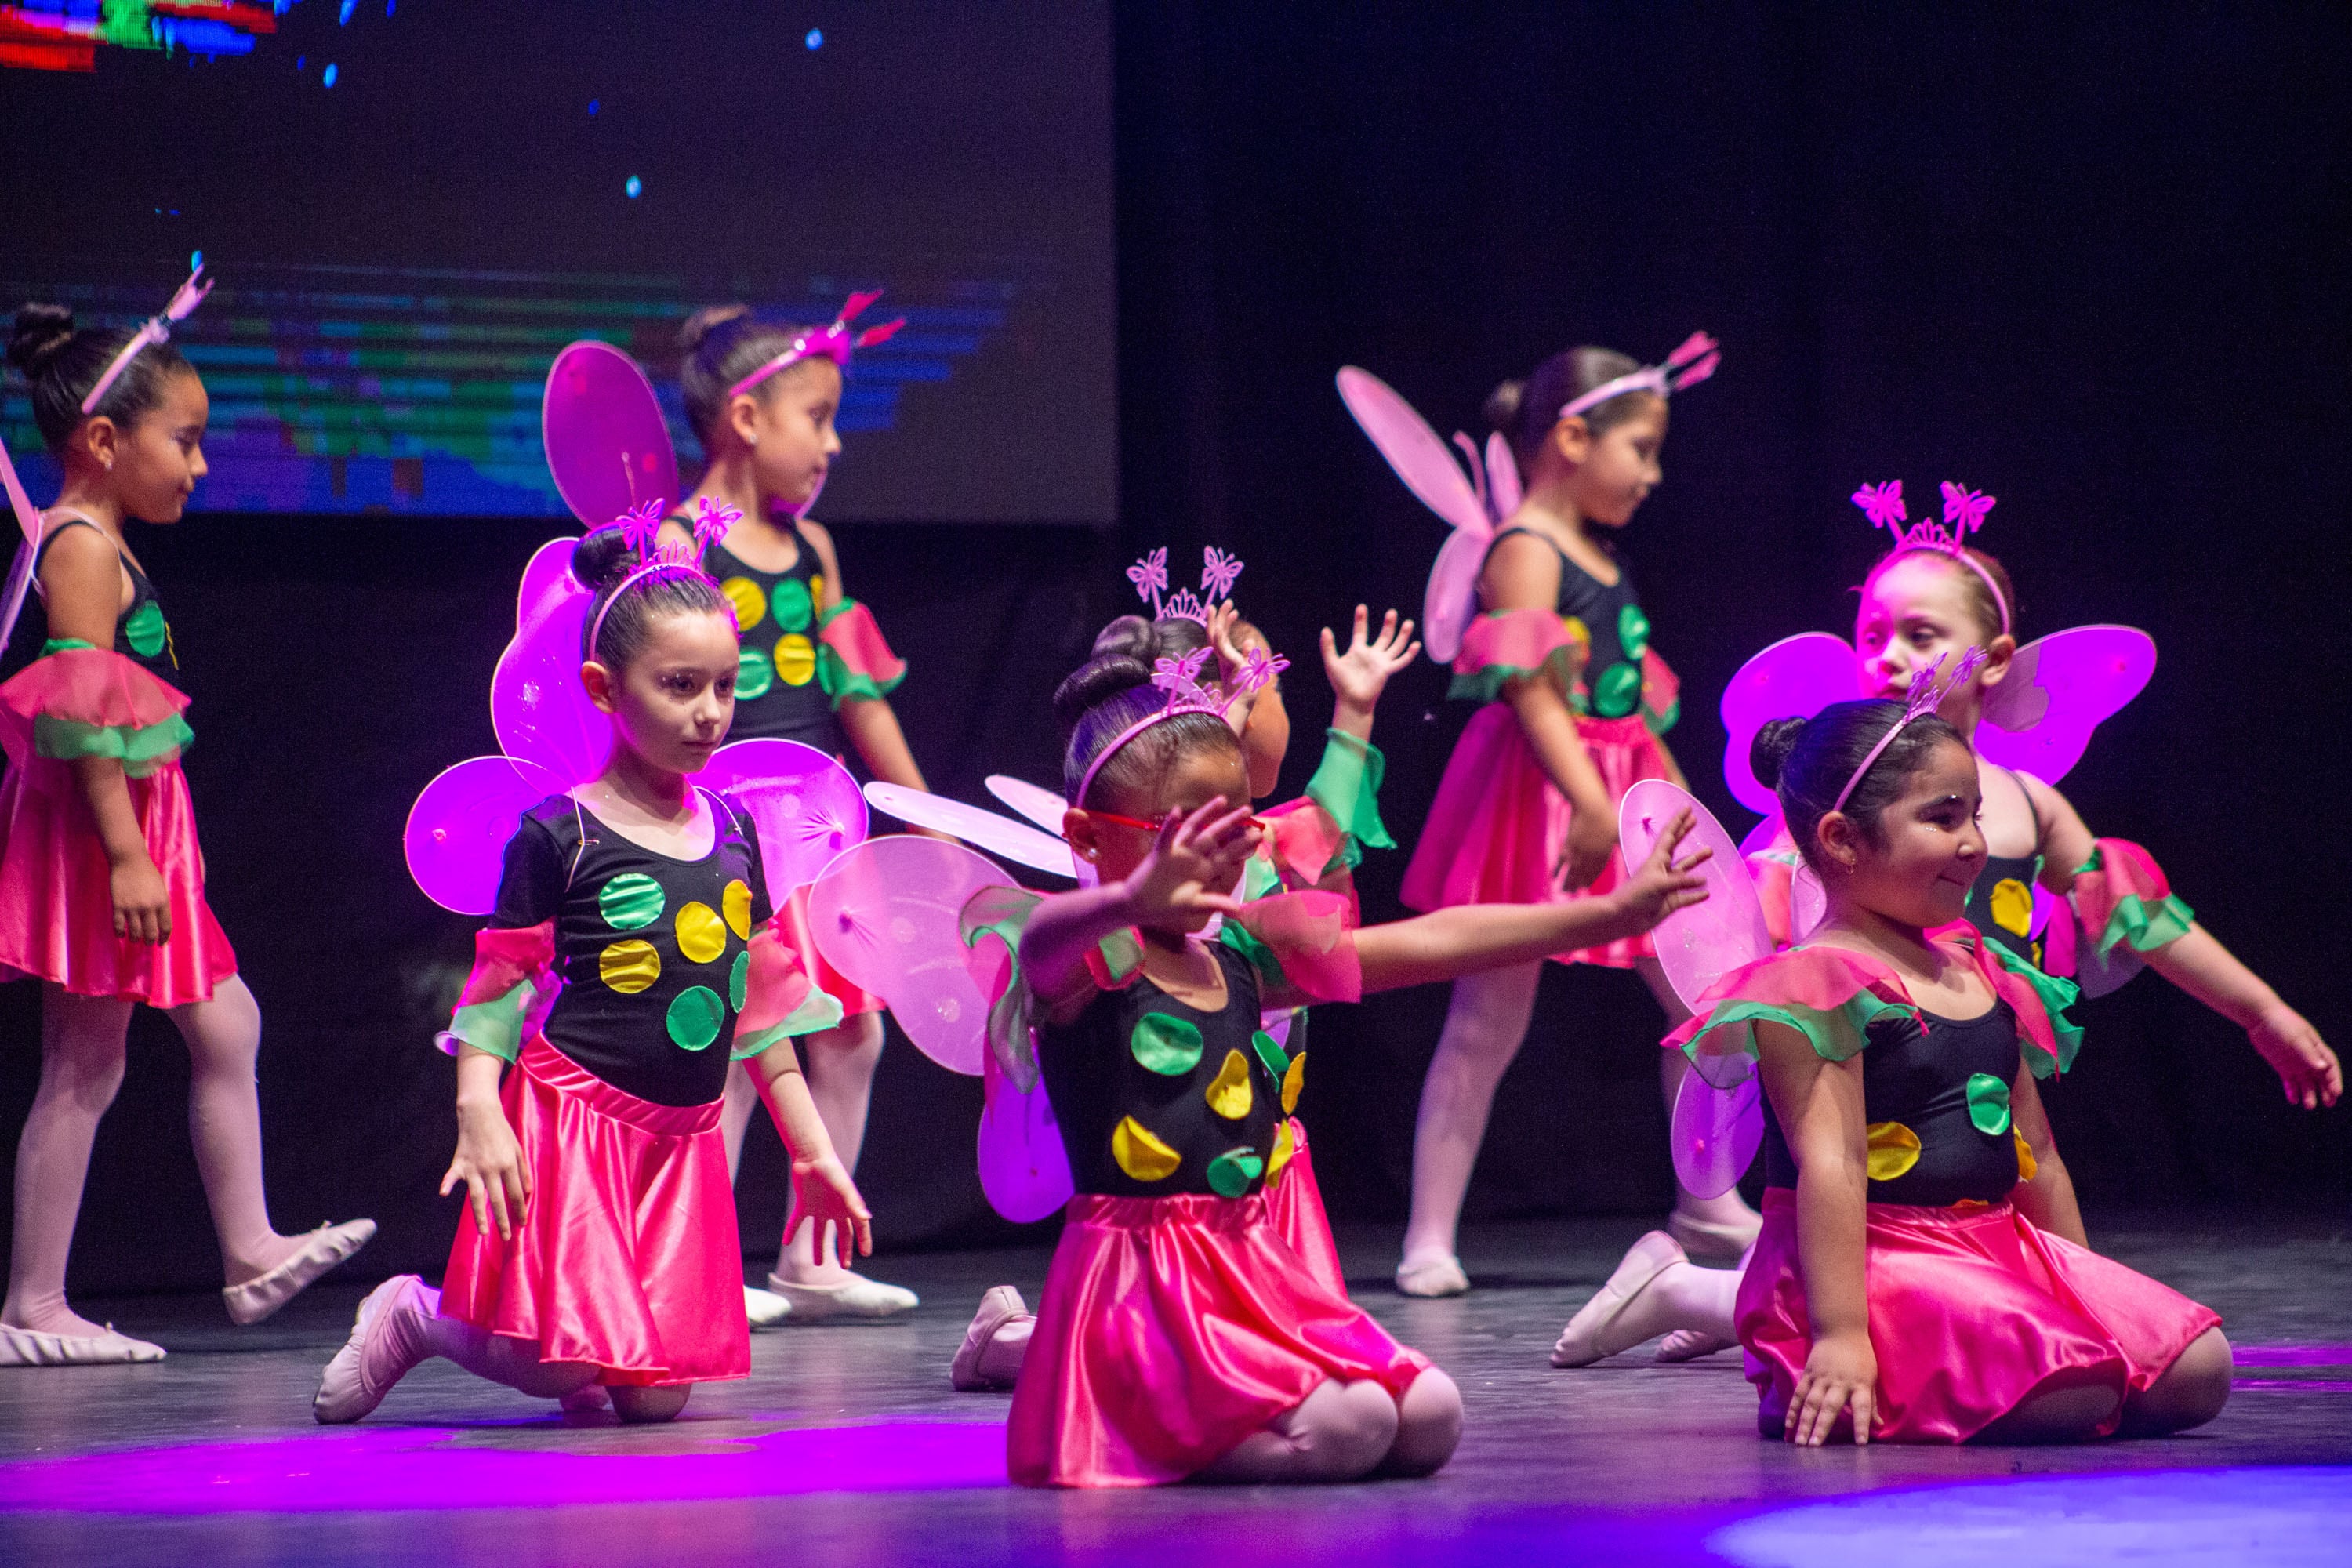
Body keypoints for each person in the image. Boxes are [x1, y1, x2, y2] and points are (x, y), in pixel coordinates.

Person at [1002, 636, 1710, 1485]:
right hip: (1142, 1294)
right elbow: (1039, 940)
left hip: (1250, 1270)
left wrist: (1601, 916)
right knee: (1355, 1425)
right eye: (1186, 830)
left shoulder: (1242, 956)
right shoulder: (1086, 966)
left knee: (1430, 1414)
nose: (1227, 846)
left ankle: (1231, 1410)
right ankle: (1136, 1425)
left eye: (1240, 820)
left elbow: (1430, 941)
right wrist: (1126, 897)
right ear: (1088, 833)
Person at [1560, 681, 2232, 1444]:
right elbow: (1835, 1163)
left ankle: (2042, 1357)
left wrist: (2077, 1286)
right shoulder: (1809, 981)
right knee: (2075, 1389)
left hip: (1993, 1244)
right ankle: (1840, 1368)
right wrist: (1842, 1333)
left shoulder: (1984, 968)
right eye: (1941, 818)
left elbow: (2035, 1152)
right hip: (1881, 1259)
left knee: (2199, 1364)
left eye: (1973, 813)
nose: (1974, 840)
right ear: (1843, 839)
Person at [314, 525, 865, 1424]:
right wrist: (480, 1108)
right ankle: (414, 1316)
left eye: (725, 686)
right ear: (604, 690)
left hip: (681, 1137)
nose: (710, 711)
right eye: (680, 686)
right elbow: (495, 991)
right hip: (578, 1122)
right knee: (561, 1372)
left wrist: (812, 1152)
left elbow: (761, 1015)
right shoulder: (557, 834)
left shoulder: (732, 831)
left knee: (658, 1401)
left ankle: (594, 1335)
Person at [0, 289, 372, 1367]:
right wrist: (124, 852)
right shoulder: (79, 545)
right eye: (188, 441)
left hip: (139, 823)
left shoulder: (101, 541)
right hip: (104, 830)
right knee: (89, 1058)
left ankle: (246, 1250)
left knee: (215, 1028)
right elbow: (75, 705)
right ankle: (36, 1301)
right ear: (107, 442)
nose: (202, 465)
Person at [953, 593, 1421, 1389]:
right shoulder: (1141, 871)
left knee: (1285, 1355)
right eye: (1264, 681)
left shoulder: (1272, 841)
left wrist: (1356, 705)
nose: (1272, 697)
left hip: (1264, 1159)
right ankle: (1017, 1344)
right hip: (1180, 1177)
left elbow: (1334, 812)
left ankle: (1033, 1337)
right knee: (1168, 1345)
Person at [1395, 339, 1748, 1297]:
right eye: (1641, 447)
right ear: (1573, 437)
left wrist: (1687, 816)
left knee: (1704, 1001)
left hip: (1620, 792)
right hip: (1538, 800)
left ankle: (1706, 1197)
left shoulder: (1603, 555)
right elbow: (1533, 692)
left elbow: (1628, 709)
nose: (1653, 473)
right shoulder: (1525, 550)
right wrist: (1590, 802)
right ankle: (1430, 1232)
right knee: (1487, 1018)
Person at [663, 299, 924, 1319]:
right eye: (816, 417)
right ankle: (706, 1271)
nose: (833, 440)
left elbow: (855, 689)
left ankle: (813, 1255)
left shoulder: (813, 550)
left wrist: (918, 805)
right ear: (746, 419)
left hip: (819, 830)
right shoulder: (684, 542)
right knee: (741, 1045)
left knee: (853, 1034)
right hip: (725, 830)